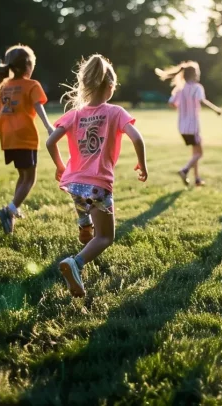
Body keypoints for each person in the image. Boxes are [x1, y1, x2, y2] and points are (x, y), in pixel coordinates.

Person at [46, 54, 148, 298]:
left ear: (85, 85)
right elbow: (136, 137)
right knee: (105, 237)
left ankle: (84, 224)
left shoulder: (74, 114)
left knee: (85, 204)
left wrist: (61, 166)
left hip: (74, 183)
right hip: (97, 185)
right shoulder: (115, 112)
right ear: (110, 86)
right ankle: (76, 263)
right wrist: (142, 164)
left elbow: (50, 142)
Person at [0, 45, 54, 234]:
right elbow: (39, 107)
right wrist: (49, 126)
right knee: (30, 178)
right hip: (25, 137)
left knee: (22, 176)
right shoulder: (32, 85)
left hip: (10, 138)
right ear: (28, 66)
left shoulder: (5, 86)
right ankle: (9, 209)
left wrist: (2, 134)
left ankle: (12, 213)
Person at [155, 61, 221, 186]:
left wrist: (179, 107)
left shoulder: (180, 88)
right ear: (195, 74)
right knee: (199, 153)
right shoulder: (197, 88)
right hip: (193, 126)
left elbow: (171, 103)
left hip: (182, 127)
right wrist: (216, 110)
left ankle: (197, 179)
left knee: (194, 152)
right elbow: (202, 101)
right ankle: (184, 170)